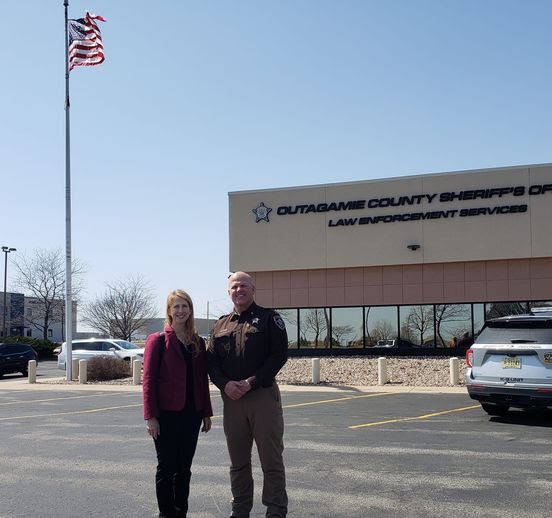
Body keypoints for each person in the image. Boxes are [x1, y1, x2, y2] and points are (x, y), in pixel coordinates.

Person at [207, 271, 288, 518]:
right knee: (238, 462)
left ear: (253, 289)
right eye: (234, 286)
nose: (239, 290)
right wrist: (224, 385)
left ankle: (275, 511)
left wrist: (251, 382)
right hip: (232, 401)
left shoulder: (268, 318)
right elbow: (211, 362)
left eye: (244, 285)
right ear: (228, 292)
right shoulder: (220, 324)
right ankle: (240, 509)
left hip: (262, 397)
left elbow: (278, 355)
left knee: (270, 460)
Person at [143, 289, 213, 518]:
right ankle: (166, 514)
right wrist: (150, 416)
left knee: (184, 469)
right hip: (165, 415)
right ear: (169, 311)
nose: (181, 311)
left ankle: (181, 512)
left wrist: (206, 413)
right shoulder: (158, 340)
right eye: (176, 306)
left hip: (191, 414)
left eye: (185, 306)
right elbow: (149, 381)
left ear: (191, 310)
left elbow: (202, 380)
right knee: (166, 468)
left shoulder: (197, 342)